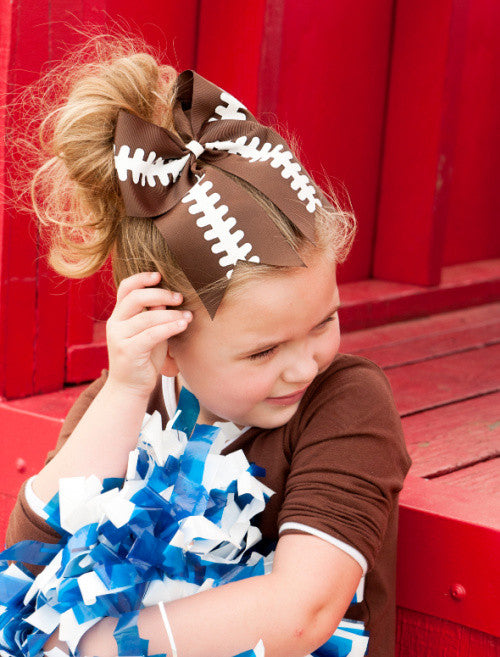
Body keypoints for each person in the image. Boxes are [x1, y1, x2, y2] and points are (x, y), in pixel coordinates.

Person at [5, 34, 412, 657]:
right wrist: (122, 394)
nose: (305, 362)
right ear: (168, 339)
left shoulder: (344, 403)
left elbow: (303, 610)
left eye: (323, 320)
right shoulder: (119, 406)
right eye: (262, 351)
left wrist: (98, 647)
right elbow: (29, 554)